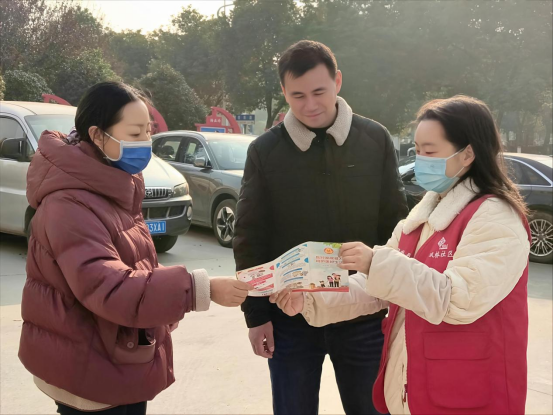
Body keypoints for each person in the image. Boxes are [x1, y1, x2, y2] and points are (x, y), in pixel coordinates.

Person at [271, 95, 530, 414]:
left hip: (469, 393)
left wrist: (375, 262)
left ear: (468, 153)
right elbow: (375, 287)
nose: (421, 160)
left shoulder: (496, 217)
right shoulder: (420, 218)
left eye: (430, 152)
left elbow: (459, 300)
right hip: (418, 388)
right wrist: (310, 299)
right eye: (417, 150)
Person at [19, 81, 252, 415]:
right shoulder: (69, 203)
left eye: (148, 131)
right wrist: (202, 288)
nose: (145, 142)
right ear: (98, 135)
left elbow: (136, 266)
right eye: (134, 133)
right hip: (89, 371)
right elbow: (109, 286)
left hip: (113, 355)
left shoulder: (112, 184)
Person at [233, 40, 408, 415]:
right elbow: (249, 235)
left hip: (363, 314)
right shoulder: (265, 151)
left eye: (319, 92)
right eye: (297, 95)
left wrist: (396, 296)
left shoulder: (374, 139)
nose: (310, 105)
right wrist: (257, 315)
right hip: (291, 317)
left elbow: (395, 224)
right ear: (284, 92)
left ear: (337, 81)